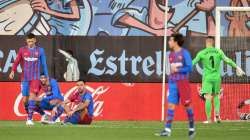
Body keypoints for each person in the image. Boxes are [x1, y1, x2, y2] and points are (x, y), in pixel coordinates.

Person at [192, 36, 245, 123]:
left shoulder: (202, 53)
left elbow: (193, 62)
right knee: (216, 95)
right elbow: (228, 60)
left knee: (208, 97)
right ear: (212, 42)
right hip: (217, 78)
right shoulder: (219, 52)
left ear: (206, 42)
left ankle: (209, 120)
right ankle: (217, 117)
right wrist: (237, 67)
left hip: (207, 78)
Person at [158, 33, 195, 138]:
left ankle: (192, 128)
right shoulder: (170, 54)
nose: (169, 42)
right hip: (173, 83)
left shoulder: (185, 53)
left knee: (187, 106)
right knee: (171, 105)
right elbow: (170, 70)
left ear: (175, 42)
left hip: (183, 83)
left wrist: (178, 69)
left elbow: (190, 67)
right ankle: (167, 130)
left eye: (170, 40)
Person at [9, 33, 49, 125]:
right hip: (25, 78)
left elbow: (44, 64)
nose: (30, 43)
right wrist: (12, 71)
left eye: (31, 41)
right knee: (25, 100)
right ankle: (40, 114)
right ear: (26, 41)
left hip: (35, 78)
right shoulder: (22, 50)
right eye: (28, 41)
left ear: (35, 40)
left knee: (32, 97)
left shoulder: (40, 50)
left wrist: (46, 77)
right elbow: (16, 61)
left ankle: (29, 119)